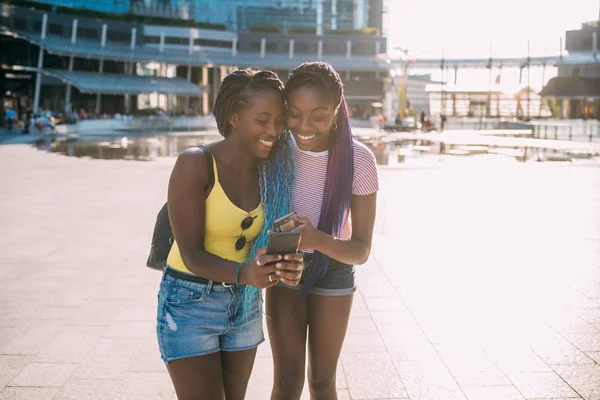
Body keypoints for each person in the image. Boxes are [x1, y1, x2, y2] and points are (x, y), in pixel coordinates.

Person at [156, 69, 303, 400]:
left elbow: (266, 242)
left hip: (245, 303)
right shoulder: (196, 163)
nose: (273, 131)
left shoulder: (272, 171)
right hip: (190, 302)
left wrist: (285, 267)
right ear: (234, 117)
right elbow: (191, 253)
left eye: (279, 121)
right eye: (262, 120)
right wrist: (244, 273)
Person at [266, 62, 379, 399]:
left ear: (336, 110)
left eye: (318, 115)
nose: (304, 125)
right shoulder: (275, 150)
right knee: (287, 382)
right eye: (295, 113)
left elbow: (360, 250)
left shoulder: (359, 160)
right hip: (285, 265)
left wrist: (316, 239)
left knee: (322, 382)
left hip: (334, 270)